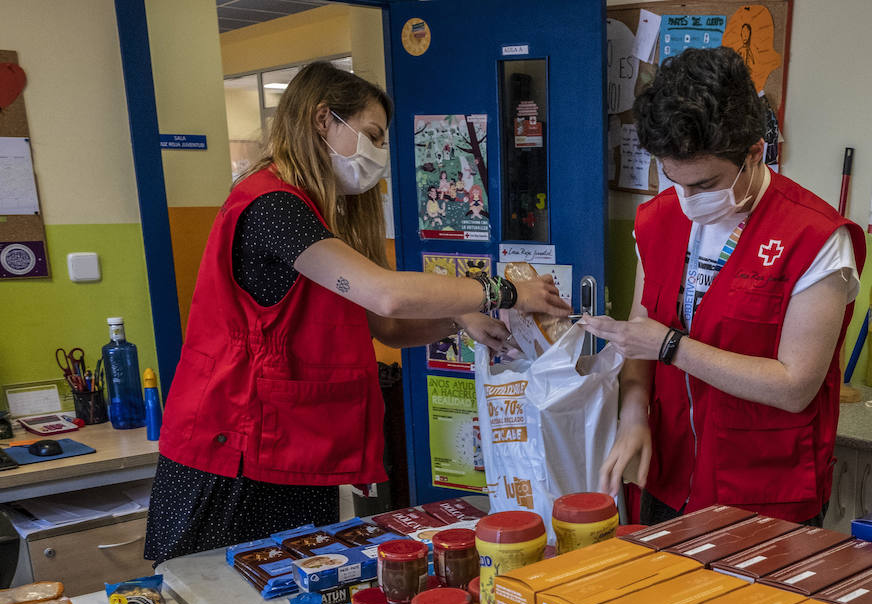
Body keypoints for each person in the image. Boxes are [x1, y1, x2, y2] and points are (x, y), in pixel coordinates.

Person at [144, 62, 567, 565]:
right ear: (324, 120)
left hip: (292, 449)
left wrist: (458, 319)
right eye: (370, 135)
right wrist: (501, 292)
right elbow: (385, 295)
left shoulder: (315, 212)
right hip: (233, 454)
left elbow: (384, 325)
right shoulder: (271, 205)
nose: (378, 156)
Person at [584, 47, 864, 526]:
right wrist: (633, 414)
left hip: (765, 492)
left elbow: (796, 386)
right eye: (675, 181)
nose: (688, 200)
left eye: (705, 183)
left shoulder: (814, 237)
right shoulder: (658, 220)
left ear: (754, 152)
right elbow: (640, 334)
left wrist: (672, 346)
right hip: (667, 475)